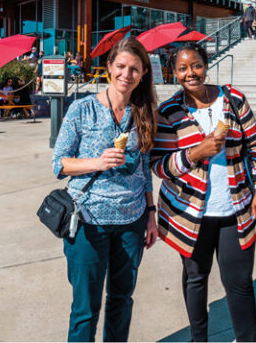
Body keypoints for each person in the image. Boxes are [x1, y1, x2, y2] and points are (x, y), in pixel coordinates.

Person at [151, 42, 256, 342]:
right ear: (174, 73)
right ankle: (198, 339)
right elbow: (160, 166)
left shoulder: (232, 99)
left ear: (206, 65)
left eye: (196, 65)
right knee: (195, 278)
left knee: (239, 283)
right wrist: (195, 153)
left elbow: (255, 145)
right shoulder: (169, 112)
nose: (190, 73)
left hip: (236, 209)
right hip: (189, 214)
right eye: (182, 68)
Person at [52, 37, 158, 341]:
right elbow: (59, 164)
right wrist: (96, 162)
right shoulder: (82, 109)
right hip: (87, 223)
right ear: (109, 66)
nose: (127, 74)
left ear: (143, 73)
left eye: (135, 69)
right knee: (85, 308)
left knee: (121, 301)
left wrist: (151, 214)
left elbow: (145, 169)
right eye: (121, 66)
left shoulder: (143, 112)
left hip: (131, 223)